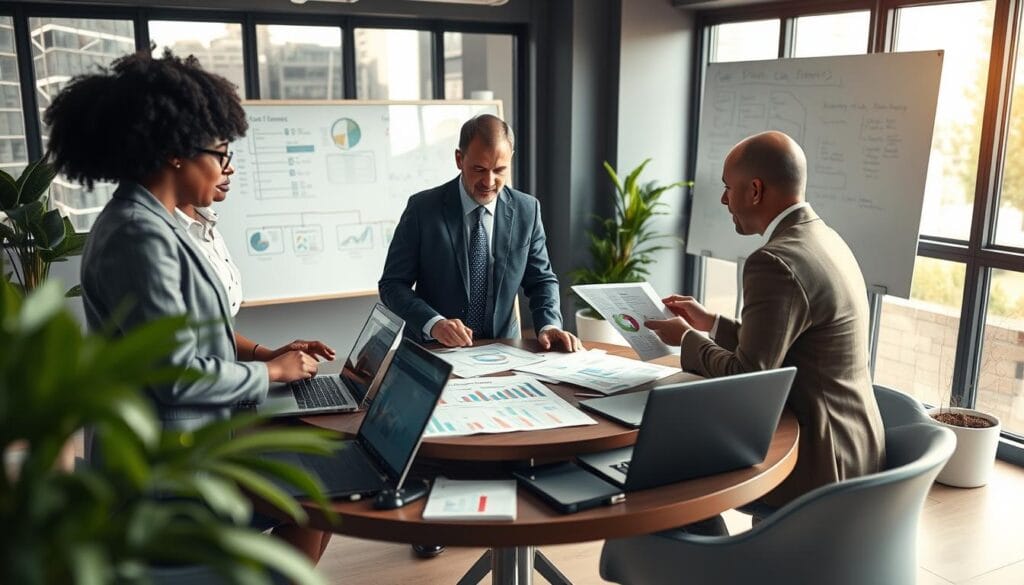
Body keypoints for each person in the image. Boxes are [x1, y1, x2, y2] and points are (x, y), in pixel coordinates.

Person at [44, 49, 332, 562]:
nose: (226, 166)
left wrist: (268, 359)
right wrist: (273, 374)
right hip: (167, 475)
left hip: (188, 452)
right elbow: (174, 375)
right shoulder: (139, 234)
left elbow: (198, 334)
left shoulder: (159, 223)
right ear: (177, 152)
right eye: (219, 152)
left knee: (312, 499)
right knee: (313, 501)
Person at [646, 130, 885, 512]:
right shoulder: (825, 238)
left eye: (728, 188)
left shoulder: (773, 262)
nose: (724, 199)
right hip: (858, 447)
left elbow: (747, 375)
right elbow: (790, 343)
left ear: (755, 190)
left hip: (817, 463)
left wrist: (688, 338)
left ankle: (707, 563)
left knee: (665, 471)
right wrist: (711, 323)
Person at [378, 114, 581, 558]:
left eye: (500, 169)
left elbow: (542, 280)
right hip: (435, 352)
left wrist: (548, 323)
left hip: (502, 352)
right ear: (458, 160)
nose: (489, 181)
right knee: (442, 446)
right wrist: (433, 322)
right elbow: (391, 285)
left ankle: (498, 522)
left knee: (499, 442)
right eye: (478, 169)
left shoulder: (526, 209)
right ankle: (432, 521)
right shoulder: (423, 208)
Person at [175, 194, 336, 363]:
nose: (230, 170)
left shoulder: (205, 222)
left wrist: (270, 356)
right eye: (221, 164)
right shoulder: (160, 237)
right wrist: (271, 371)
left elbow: (208, 330)